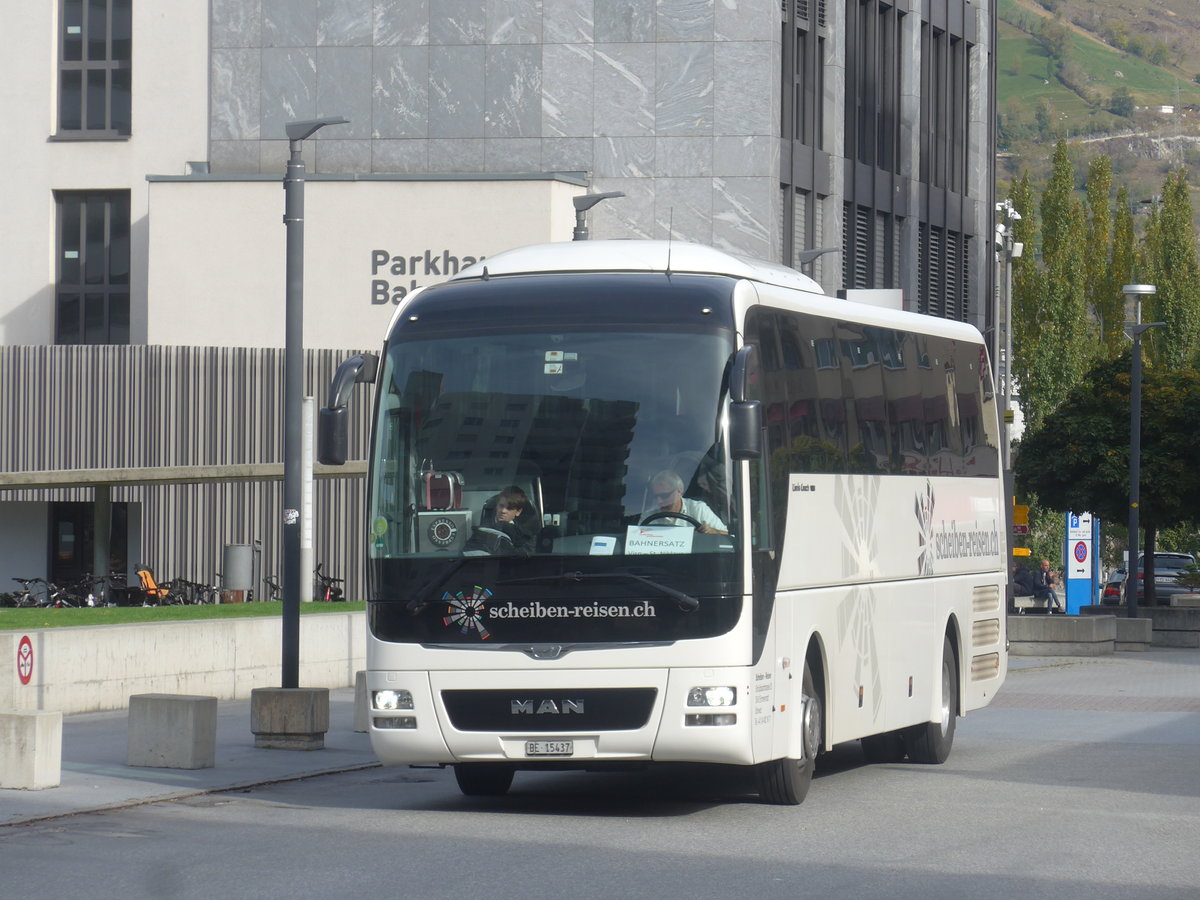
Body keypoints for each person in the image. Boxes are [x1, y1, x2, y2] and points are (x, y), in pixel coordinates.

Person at [645, 470, 727, 534]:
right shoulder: (649, 514)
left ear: (679, 492)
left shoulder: (698, 509)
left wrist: (712, 531)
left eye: (664, 496)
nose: (659, 501)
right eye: (656, 497)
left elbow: (727, 536)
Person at [462, 486, 535, 556]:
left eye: (509, 508)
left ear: (518, 512)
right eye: (501, 506)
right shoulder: (481, 532)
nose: (503, 511)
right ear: (496, 505)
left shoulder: (526, 537)